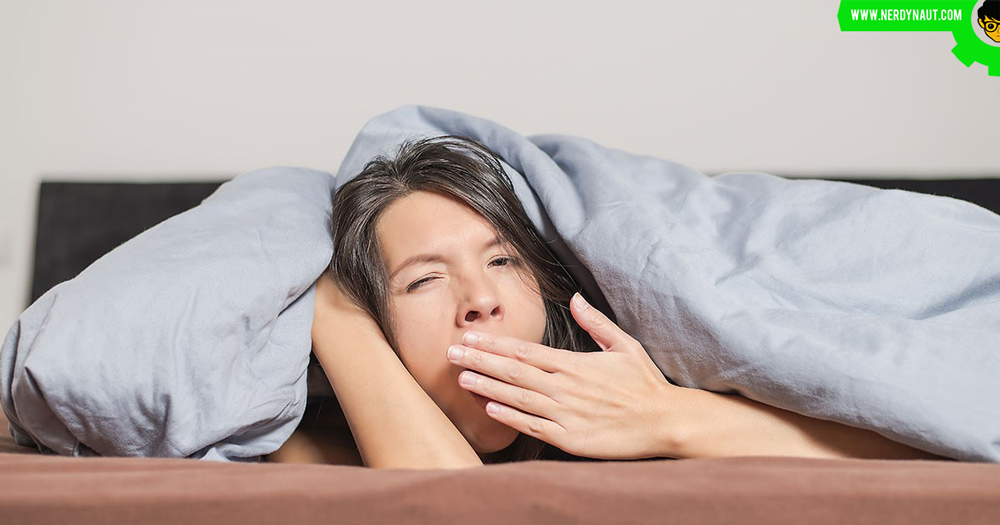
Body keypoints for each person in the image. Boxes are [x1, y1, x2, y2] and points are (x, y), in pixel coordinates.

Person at [265, 135, 948, 468]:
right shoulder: (302, 438)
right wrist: (332, 305)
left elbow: (933, 445)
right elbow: (450, 502)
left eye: (504, 259)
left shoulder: (645, 347)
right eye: (423, 279)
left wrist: (667, 414)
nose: (481, 299)